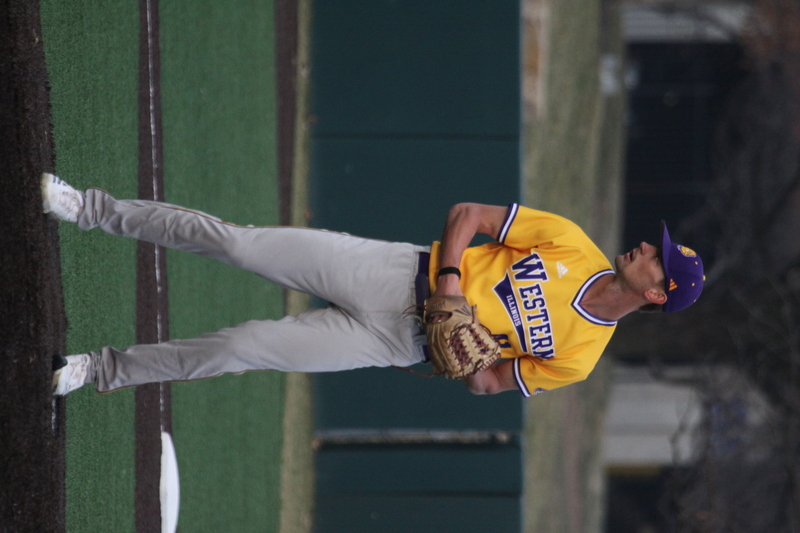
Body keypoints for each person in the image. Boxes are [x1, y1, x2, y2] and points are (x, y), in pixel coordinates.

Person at [43, 172, 705, 398]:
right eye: (656, 245)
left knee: (240, 346)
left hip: (394, 339)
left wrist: (469, 359)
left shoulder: (580, 356)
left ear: (656, 293)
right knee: (235, 242)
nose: (648, 246)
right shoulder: (571, 240)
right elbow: (466, 216)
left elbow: (491, 382)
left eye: (658, 259)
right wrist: (450, 279)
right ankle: (88, 208)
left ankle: (95, 369)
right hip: (394, 270)